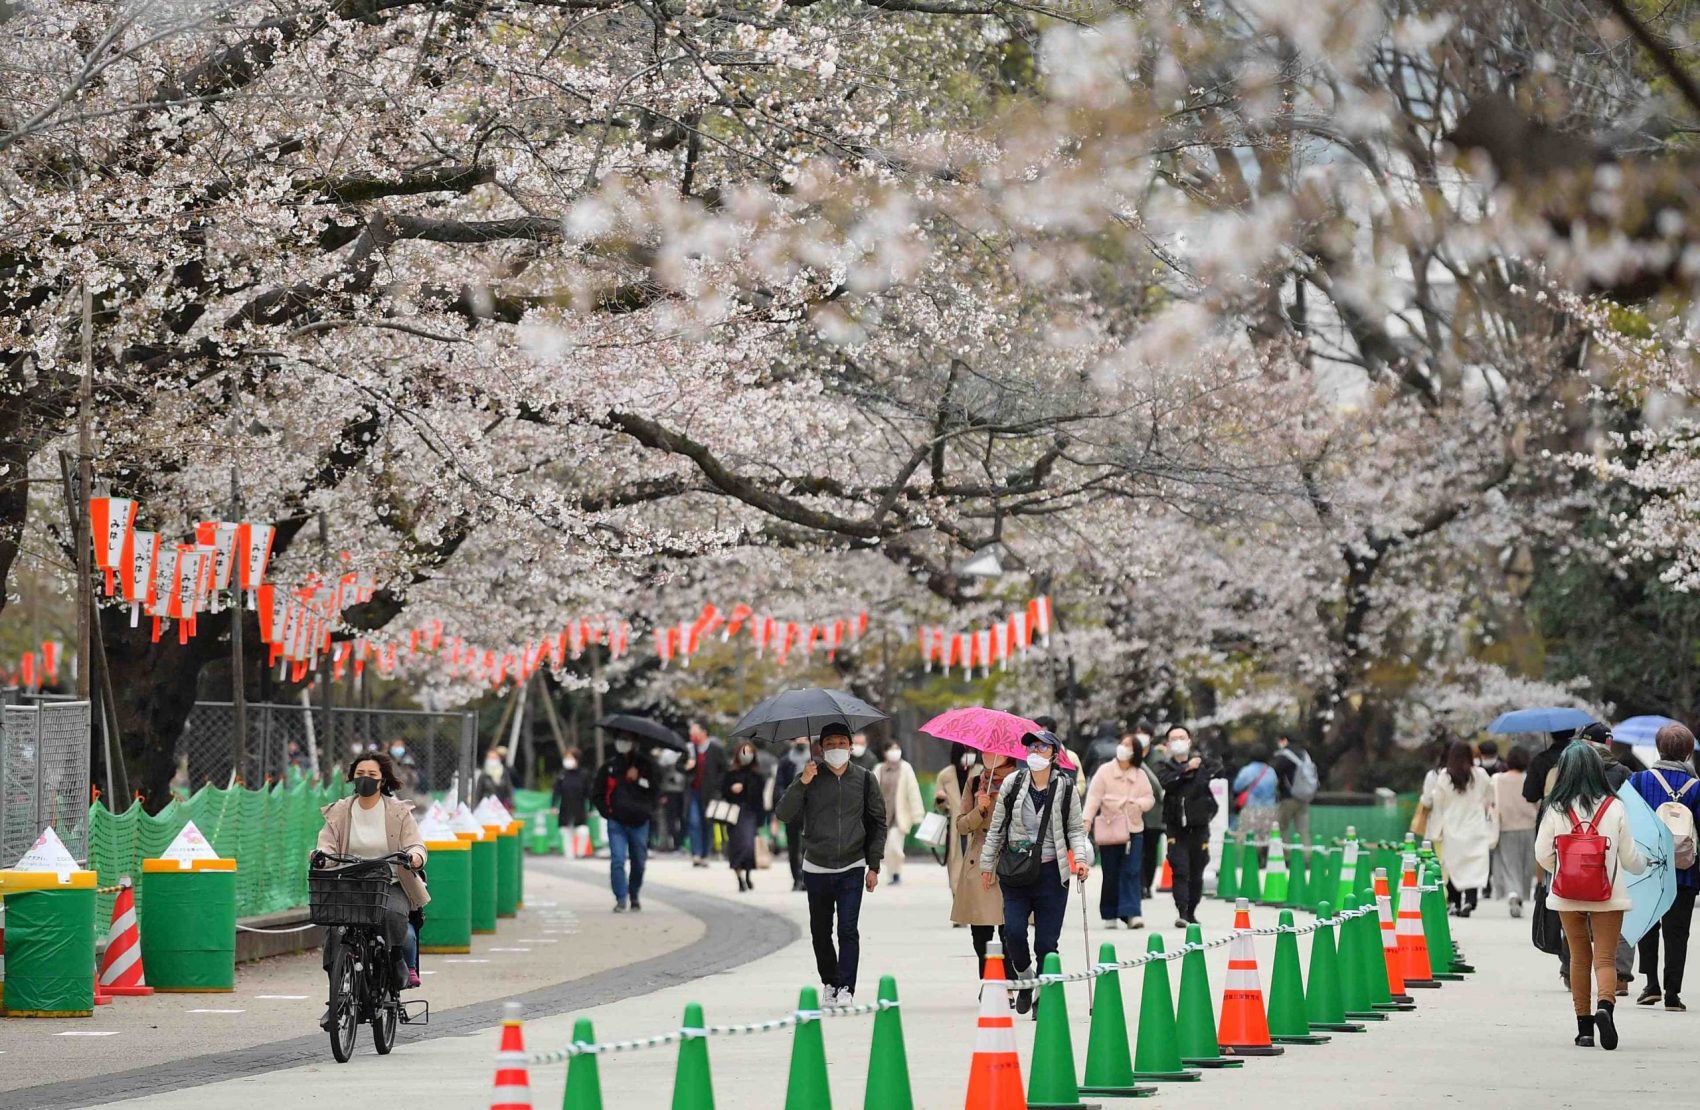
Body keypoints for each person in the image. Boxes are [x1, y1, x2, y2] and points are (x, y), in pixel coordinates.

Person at [1536, 742, 1647, 1049]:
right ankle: (1605, 1008)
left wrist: (1564, 868)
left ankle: (1584, 1030)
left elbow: (1542, 854)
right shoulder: (1615, 806)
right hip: (1608, 894)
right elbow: (1629, 857)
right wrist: (1643, 864)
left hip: (1567, 894)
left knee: (1579, 959)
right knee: (1605, 959)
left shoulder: (1555, 808)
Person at [978, 730, 1092, 1014]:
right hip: (1016, 871)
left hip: (1053, 874)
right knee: (1014, 933)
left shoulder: (1066, 788)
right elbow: (997, 828)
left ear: (1054, 755)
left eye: (1042, 747)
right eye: (1031, 746)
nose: (1035, 751)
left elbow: (1075, 830)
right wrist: (986, 864)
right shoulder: (1012, 784)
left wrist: (1079, 859)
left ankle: (1042, 995)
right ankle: (1027, 980)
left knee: (1046, 942)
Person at [313, 752, 429, 1027]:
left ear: (383, 780)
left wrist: (413, 857)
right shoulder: (339, 810)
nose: (365, 779)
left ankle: (395, 957)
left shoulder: (398, 812)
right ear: (352, 776)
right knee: (333, 930)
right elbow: (326, 843)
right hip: (349, 881)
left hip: (389, 881)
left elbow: (416, 844)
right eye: (360, 774)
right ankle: (338, 996)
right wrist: (320, 855)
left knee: (392, 915)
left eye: (372, 775)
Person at [775, 723, 885, 1005]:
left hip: (852, 864)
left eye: (841, 743)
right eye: (830, 744)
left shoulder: (864, 779)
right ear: (821, 748)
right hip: (816, 867)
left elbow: (877, 823)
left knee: (847, 929)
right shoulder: (810, 776)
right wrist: (802, 783)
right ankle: (830, 981)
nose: (836, 748)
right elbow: (784, 813)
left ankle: (847, 986)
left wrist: (874, 865)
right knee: (820, 932)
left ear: (850, 746)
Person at [1628, 721, 1700, 1011]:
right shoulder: (1697, 787)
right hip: (1685, 869)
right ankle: (1673, 992)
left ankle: (1651, 984)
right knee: (1678, 930)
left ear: (1658, 748)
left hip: (1648, 867)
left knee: (1648, 923)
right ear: (1686, 753)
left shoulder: (1639, 780)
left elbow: (1630, 821)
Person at [1083, 733, 1155, 928]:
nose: (1123, 748)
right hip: (1110, 827)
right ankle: (1110, 913)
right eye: (1122, 743)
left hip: (1134, 829)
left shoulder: (1140, 774)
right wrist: (1086, 820)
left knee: (1132, 871)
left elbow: (1150, 799)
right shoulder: (1105, 771)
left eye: (1128, 746)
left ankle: (1132, 913)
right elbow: (1093, 798)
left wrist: (1137, 803)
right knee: (1111, 872)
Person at [954, 752, 1016, 977]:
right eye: (985, 751)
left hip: (1010, 859)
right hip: (979, 861)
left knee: (1010, 929)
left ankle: (1009, 981)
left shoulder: (1020, 781)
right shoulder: (974, 782)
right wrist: (979, 810)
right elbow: (961, 826)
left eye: (994, 751)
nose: (988, 755)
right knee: (980, 931)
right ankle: (990, 980)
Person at [1422, 740, 1496, 916]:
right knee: (1473, 865)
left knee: (1453, 865)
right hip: (1475, 825)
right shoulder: (1480, 774)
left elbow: (1438, 804)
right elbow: (1489, 798)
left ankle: (1455, 901)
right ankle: (1470, 901)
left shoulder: (1445, 776)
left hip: (1452, 826)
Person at [1157, 725, 1220, 928]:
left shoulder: (1201, 764)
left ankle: (1192, 910)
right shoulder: (1165, 767)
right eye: (1173, 738)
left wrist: (1198, 765)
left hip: (1199, 826)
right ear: (1167, 744)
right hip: (1177, 827)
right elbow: (1168, 783)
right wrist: (1186, 770)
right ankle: (1182, 911)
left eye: (1181, 737)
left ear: (1189, 740)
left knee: (1197, 869)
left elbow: (1219, 768)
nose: (1178, 741)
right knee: (1180, 868)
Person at [592, 736, 658, 913]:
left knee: (639, 860)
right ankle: (621, 897)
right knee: (618, 859)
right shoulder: (610, 767)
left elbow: (654, 791)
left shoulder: (645, 765)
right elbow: (597, 793)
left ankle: (634, 892)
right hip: (617, 821)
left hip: (639, 821)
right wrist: (607, 813)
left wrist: (637, 780)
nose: (622, 743)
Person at [1490, 745, 1537, 917]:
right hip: (1529, 827)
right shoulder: (1530, 778)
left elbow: (1489, 801)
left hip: (1506, 827)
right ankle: (1521, 895)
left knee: (1509, 864)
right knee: (1526, 865)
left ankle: (1513, 893)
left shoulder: (1496, 779)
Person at [875, 738, 924, 886]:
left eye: (897, 748)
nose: (895, 752)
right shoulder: (879, 769)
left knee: (895, 847)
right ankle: (893, 873)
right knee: (888, 848)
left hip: (900, 815)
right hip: (883, 815)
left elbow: (913, 791)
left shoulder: (906, 768)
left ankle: (896, 872)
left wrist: (917, 815)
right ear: (885, 752)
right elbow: (871, 791)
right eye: (891, 749)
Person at [934, 743, 979, 901]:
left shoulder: (981, 772)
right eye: (967, 751)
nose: (970, 755)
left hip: (976, 827)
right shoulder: (945, 775)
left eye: (973, 751)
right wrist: (941, 801)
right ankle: (958, 904)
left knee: (975, 866)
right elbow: (940, 808)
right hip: (954, 829)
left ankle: (973, 905)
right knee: (956, 867)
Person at [722, 740, 768, 892]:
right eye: (743, 751)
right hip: (734, 814)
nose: (746, 755)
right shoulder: (731, 773)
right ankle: (739, 878)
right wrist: (731, 789)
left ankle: (747, 874)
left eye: (749, 752)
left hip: (750, 813)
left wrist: (761, 818)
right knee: (736, 846)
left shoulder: (757, 775)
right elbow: (723, 791)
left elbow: (760, 798)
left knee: (748, 846)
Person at [684, 723, 728, 869]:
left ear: (704, 732)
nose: (692, 735)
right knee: (694, 822)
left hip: (710, 793)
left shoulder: (716, 749)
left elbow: (724, 769)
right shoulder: (690, 750)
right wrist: (687, 766)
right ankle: (696, 853)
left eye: (695, 732)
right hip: (694, 792)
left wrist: (718, 786)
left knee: (707, 824)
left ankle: (705, 854)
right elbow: (679, 765)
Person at [772, 736, 811, 891]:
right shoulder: (785, 761)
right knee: (793, 844)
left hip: (810, 808)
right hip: (792, 808)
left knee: (808, 844)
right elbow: (779, 785)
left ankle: (807, 877)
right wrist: (787, 798)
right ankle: (796, 878)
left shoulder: (814, 761)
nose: (801, 741)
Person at [1135, 724, 1166, 898]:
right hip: (1135, 811)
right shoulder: (1130, 755)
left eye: (1144, 733)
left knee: (1150, 851)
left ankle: (1147, 884)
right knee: (1137, 850)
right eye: (1138, 733)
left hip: (1154, 812)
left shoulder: (1158, 757)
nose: (1140, 736)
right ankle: (1139, 885)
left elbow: (1160, 783)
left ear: (1151, 737)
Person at [1271, 734, 1314, 845]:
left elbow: (1274, 772)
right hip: (1304, 797)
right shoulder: (1305, 754)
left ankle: (1285, 856)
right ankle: (1306, 857)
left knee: (1281, 828)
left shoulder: (1284, 755)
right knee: (1303, 830)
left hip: (1288, 798)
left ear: (1285, 740)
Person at [1231, 745, 1279, 842]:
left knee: (1246, 840)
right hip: (1269, 811)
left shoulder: (1247, 770)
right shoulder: (1271, 771)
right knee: (1265, 842)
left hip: (1251, 809)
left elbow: (1237, 787)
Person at [552, 747, 590, 858]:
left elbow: (588, 792)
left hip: (579, 808)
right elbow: (556, 792)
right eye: (566, 757)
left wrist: (591, 808)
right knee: (565, 833)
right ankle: (569, 856)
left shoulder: (583, 774)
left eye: (570, 757)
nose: (568, 760)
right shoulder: (562, 775)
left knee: (583, 832)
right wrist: (554, 806)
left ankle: (580, 852)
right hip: (565, 808)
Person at [1082, 720, 1122, 788]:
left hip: (1098, 779)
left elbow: (1086, 765)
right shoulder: (1119, 744)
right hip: (1117, 779)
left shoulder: (1094, 745)